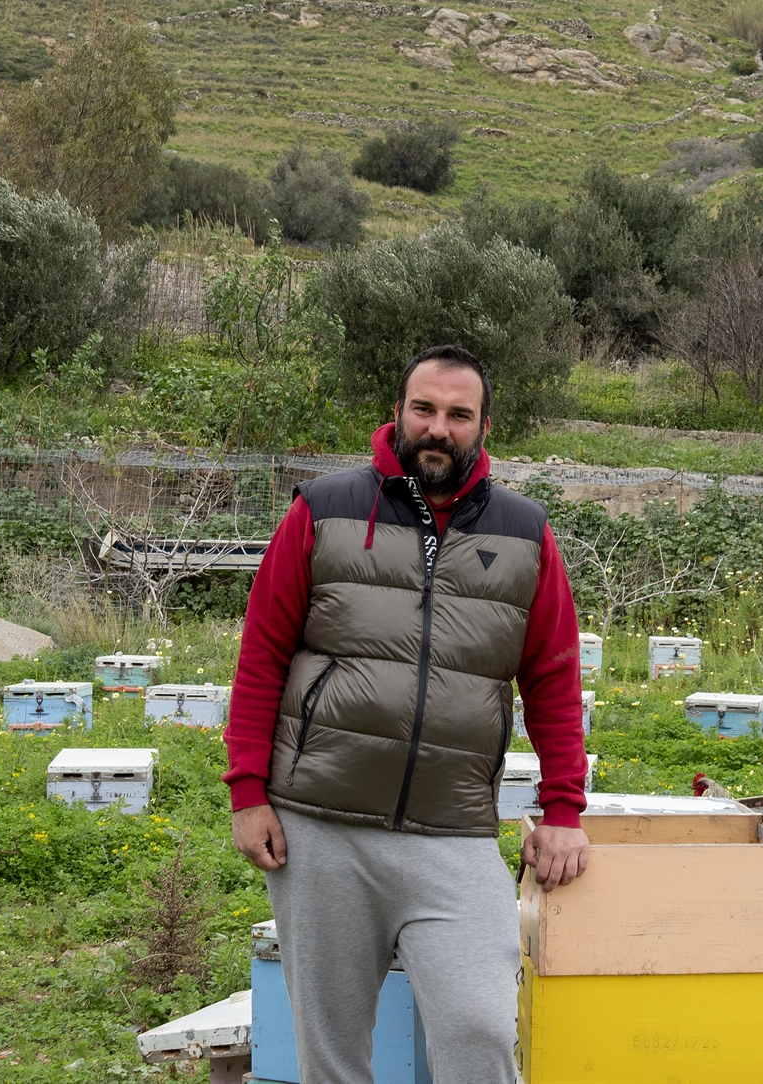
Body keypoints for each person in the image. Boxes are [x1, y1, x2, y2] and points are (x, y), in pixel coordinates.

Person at [225, 344, 590, 1084]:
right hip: (320, 828)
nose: (438, 428)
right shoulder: (323, 510)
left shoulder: (525, 533)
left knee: (479, 1028)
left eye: (459, 415)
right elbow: (262, 653)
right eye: (424, 409)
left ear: (485, 426)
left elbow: (552, 678)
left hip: (450, 834)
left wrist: (564, 808)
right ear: (397, 413)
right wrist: (247, 792)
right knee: (333, 1056)